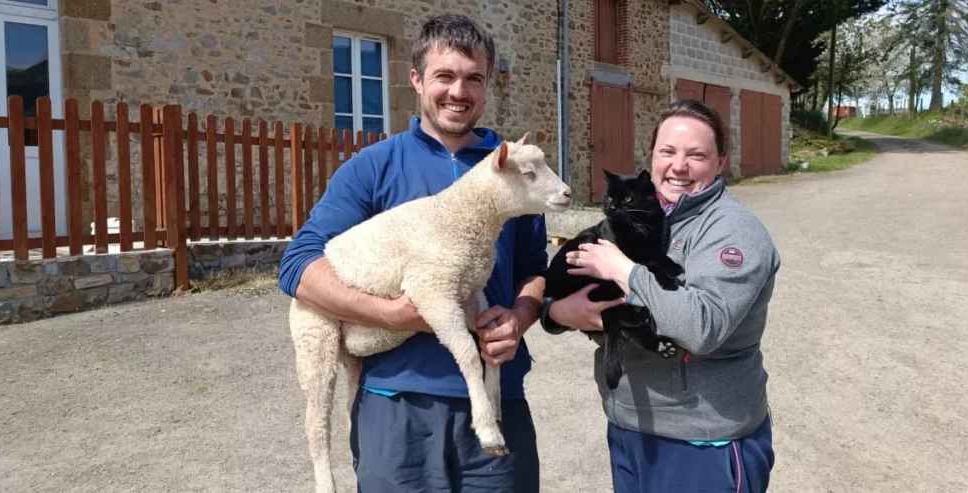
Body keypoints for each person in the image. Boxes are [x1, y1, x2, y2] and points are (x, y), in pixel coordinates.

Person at [277, 14, 547, 493]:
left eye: (473, 79)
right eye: (444, 76)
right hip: (393, 404)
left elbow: (533, 270)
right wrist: (394, 314)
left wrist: (521, 316)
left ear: (486, 88)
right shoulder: (374, 166)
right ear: (417, 79)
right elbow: (299, 266)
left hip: (495, 396)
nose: (458, 92)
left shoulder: (516, 174)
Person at [538, 99, 780, 492]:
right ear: (652, 159)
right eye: (667, 152)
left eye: (696, 155)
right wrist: (557, 313)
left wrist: (623, 270)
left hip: (703, 440)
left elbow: (703, 327)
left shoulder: (734, 231)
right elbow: (575, 281)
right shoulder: (639, 217)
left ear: (721, 161)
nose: (679, 166)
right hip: (629, 424)